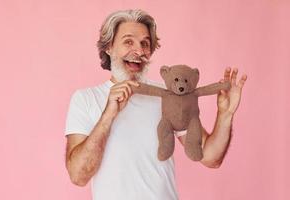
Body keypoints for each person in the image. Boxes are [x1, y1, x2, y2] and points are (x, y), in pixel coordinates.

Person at [64, 9, 247, 200]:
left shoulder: (169, 95)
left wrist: (225, 113)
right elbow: (78, 176)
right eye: (128, 41)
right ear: (109, 47)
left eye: (145, 44)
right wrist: (108, 115)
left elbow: (210, 157)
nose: (139, 51)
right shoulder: (85, 99)